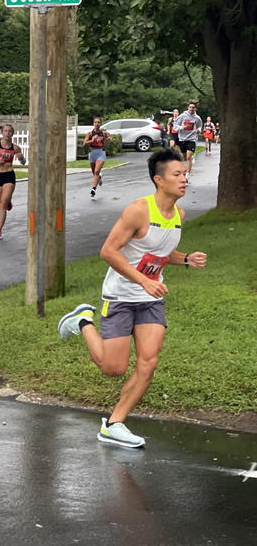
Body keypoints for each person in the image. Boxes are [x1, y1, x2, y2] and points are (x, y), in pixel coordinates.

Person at [57, 149, 207, 448]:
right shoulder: (138, 210)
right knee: (113, 368)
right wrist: (143, 280)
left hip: (149, 300)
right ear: (158, 180)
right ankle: (83, 320)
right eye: (177, 174)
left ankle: (114, 423)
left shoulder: (179, 214)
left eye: (185, 173)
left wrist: (187, 259)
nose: (184, 178)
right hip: (121, 296)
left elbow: (158, 255)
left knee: (148, 363)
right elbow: (108, 251)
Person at [0, 123, 26, 237]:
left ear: (12, 133)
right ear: (2, 133)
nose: (7, 133)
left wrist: (21, 158)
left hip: (9, 175)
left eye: (10, 131)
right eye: (5, 131)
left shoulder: (15, 148)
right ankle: (7, 201)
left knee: (3, 205)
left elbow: (23, 162)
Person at [173, 101, 202, 183]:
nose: (192, 109)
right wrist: (181, 127)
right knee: (185, 157)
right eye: (190, 107)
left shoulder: (197, 118)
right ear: (188, 108)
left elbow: (200, 126)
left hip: (192, 139)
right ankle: (185, 170)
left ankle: (187, 176)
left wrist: (198, 130)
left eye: (193, 107)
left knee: (188, 157)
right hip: (182, 139)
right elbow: (175, 125)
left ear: (195, 108)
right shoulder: (182, 116)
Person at [83, 117, 111, 198]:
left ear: (101, 124)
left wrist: (108, 139)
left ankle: (93, 189)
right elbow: (84, 143)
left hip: (100, 153)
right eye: (95, 122)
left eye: (98, 122)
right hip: (92, 153)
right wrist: (92, 140)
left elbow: (110, 139)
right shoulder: (90, 133)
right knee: (94, 173)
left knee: (96, 171)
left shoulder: (104, 133)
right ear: (93, 123)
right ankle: (99, 178)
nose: (97, 124)